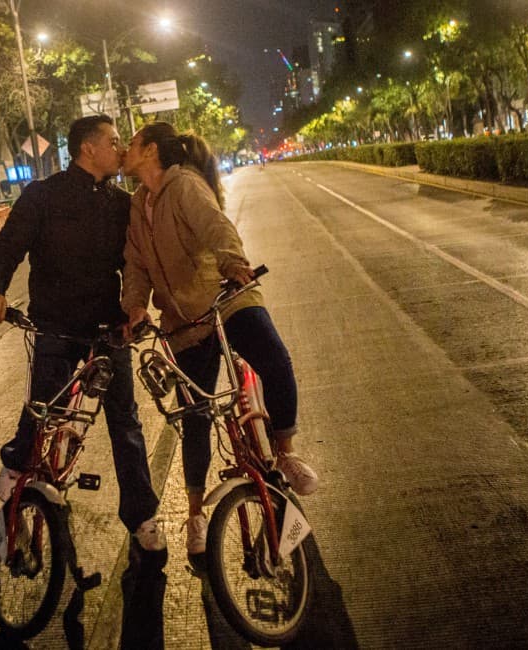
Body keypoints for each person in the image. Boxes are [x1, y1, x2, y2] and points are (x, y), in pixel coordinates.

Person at [120, 121, 319, 557]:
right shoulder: (138, 204)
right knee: (194, 416)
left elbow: (216, 226)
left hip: (226, 297)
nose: (124, 149)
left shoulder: (185, 186)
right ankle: (196, 515)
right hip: (183, 322)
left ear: (151, 151)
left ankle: (284, 450)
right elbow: (134, 264)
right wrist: (134, 307)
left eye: (131, 143)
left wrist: (232, 262)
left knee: (275, 360)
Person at [0, 115, 165, 555]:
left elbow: (136, 263)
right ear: (88, 148)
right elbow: (9, 245)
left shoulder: (122, 204)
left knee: (127, 425)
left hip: (107, 330)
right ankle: (16, 475)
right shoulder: (43, 196)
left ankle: (141, 517)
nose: (120, 150)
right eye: (114, 142)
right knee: (44, 410)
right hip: (57, 326)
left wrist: (138, 309)